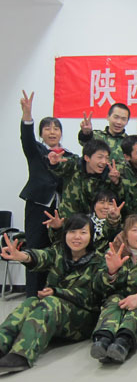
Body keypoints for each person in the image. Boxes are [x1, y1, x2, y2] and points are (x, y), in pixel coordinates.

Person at [0, 214, 102, 374]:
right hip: (53, 311)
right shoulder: (59, 252)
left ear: (91, 236)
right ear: (65, 234)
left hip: (81, 320)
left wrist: (56, 292)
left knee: (51, 302)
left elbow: (90, 297)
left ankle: (21, 355)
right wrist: (23, 256)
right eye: (72, 232)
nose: (77, 237)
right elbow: (41, 256)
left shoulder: (99, 261)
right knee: (31, 302)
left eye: (83, 232)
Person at [18, 90, 74, 297]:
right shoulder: (36, 151)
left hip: (61, 211)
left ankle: (54, 295)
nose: (52, 132)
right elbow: (26, 137)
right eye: (47, 128)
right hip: (38, 208)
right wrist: (27, 115)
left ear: (61, 133)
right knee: (35, 250)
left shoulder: (69, 156)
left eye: (56, 128)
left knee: (59, 252)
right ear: (41, 134)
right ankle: (33, 296)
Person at [90, 215, 137, 364]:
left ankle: (122, 343)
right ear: (125, 236)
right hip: (118, 299)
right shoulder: (114, 253)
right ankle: (103, 340)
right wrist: (111, 272)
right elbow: (97, 287)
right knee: (114, 302)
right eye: (135, 230)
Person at [48, 139, 118, 219]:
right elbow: (61, 167)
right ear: (87, 158)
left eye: (107, 158)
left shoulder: (109, 174)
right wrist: (55, 164)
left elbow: (116, 197)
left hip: (95, 221)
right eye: (100, 157)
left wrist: (116, 182)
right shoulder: (75, 165)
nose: (104, 162)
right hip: (69, 219)